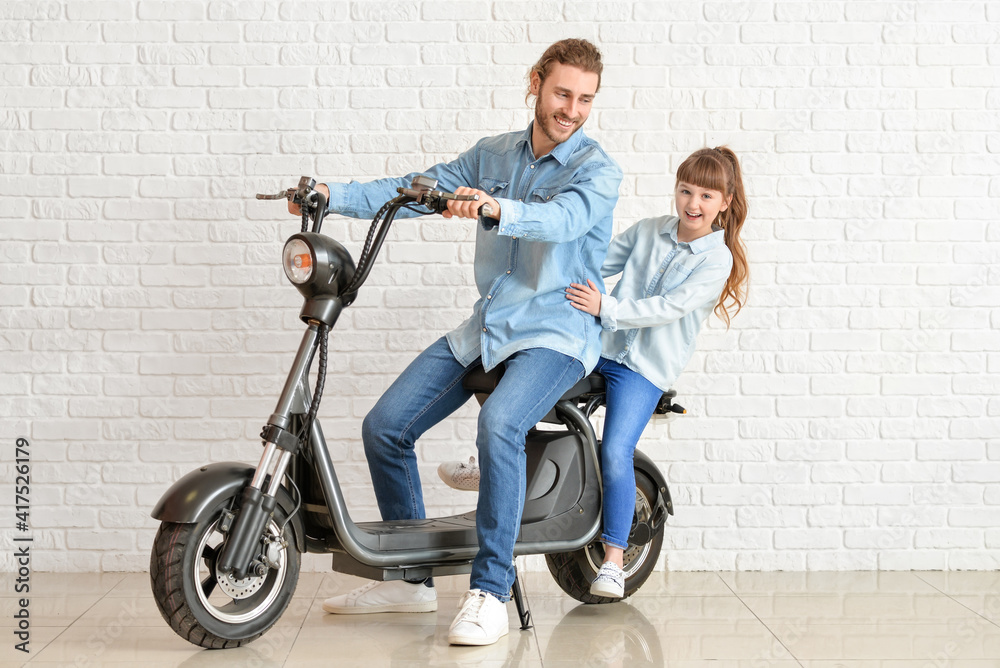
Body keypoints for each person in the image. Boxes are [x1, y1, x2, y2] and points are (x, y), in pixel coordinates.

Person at [293, 39, 622, 646]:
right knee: (385, 426)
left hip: (558, 330)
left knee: (499, 425)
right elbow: (416, 188)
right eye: (562, 93)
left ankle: (490, 591)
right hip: (490, 326)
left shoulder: (597, 171)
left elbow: (563, 221)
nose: (571, 108)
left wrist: (498, 208)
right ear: (536, 83)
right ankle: (409, 582)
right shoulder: (493, 153)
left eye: (585, 99)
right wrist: (331, 196)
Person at [439, 146, 749, 599]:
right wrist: (548, 283)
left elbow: (670, 308)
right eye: (686, 190)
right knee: (513, 372)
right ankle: (498, 467)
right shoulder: (648, 232)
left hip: (644, 368)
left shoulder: (714, 259)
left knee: (616, 450)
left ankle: (614, 561)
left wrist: (607, 307)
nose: (693, 203)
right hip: (601, 348)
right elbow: (596, 264)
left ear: (724, 202)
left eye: (706, 195)